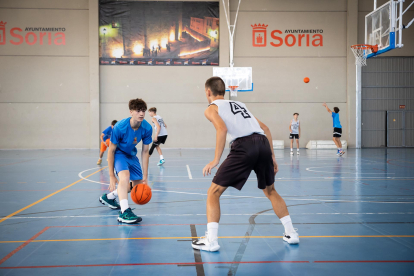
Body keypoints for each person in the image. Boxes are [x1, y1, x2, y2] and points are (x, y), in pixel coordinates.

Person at [191, 77, 299, 252]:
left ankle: (211, 240)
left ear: (208, 92)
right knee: (271, 190)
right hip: (262, 143)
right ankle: (291, 233)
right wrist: (271, 156)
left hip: (244, 146)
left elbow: (222, 129)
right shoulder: (240, 105)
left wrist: (216, 159)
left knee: (214, 192)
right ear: (224, 91)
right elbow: (265, 128)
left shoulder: (211, 108)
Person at [98, 98, 152, 223]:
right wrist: (111, 175)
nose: (142, 113)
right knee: (125, 177)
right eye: (138, 111)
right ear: (131, 112)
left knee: (135, 187)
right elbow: (111, 151)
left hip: (132, 155)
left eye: (143, 111)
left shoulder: (147, 128)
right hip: (119, 154)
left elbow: (145, 151)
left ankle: (109, 197)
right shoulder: (120, 127)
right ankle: (124, 212)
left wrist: (145, 175)